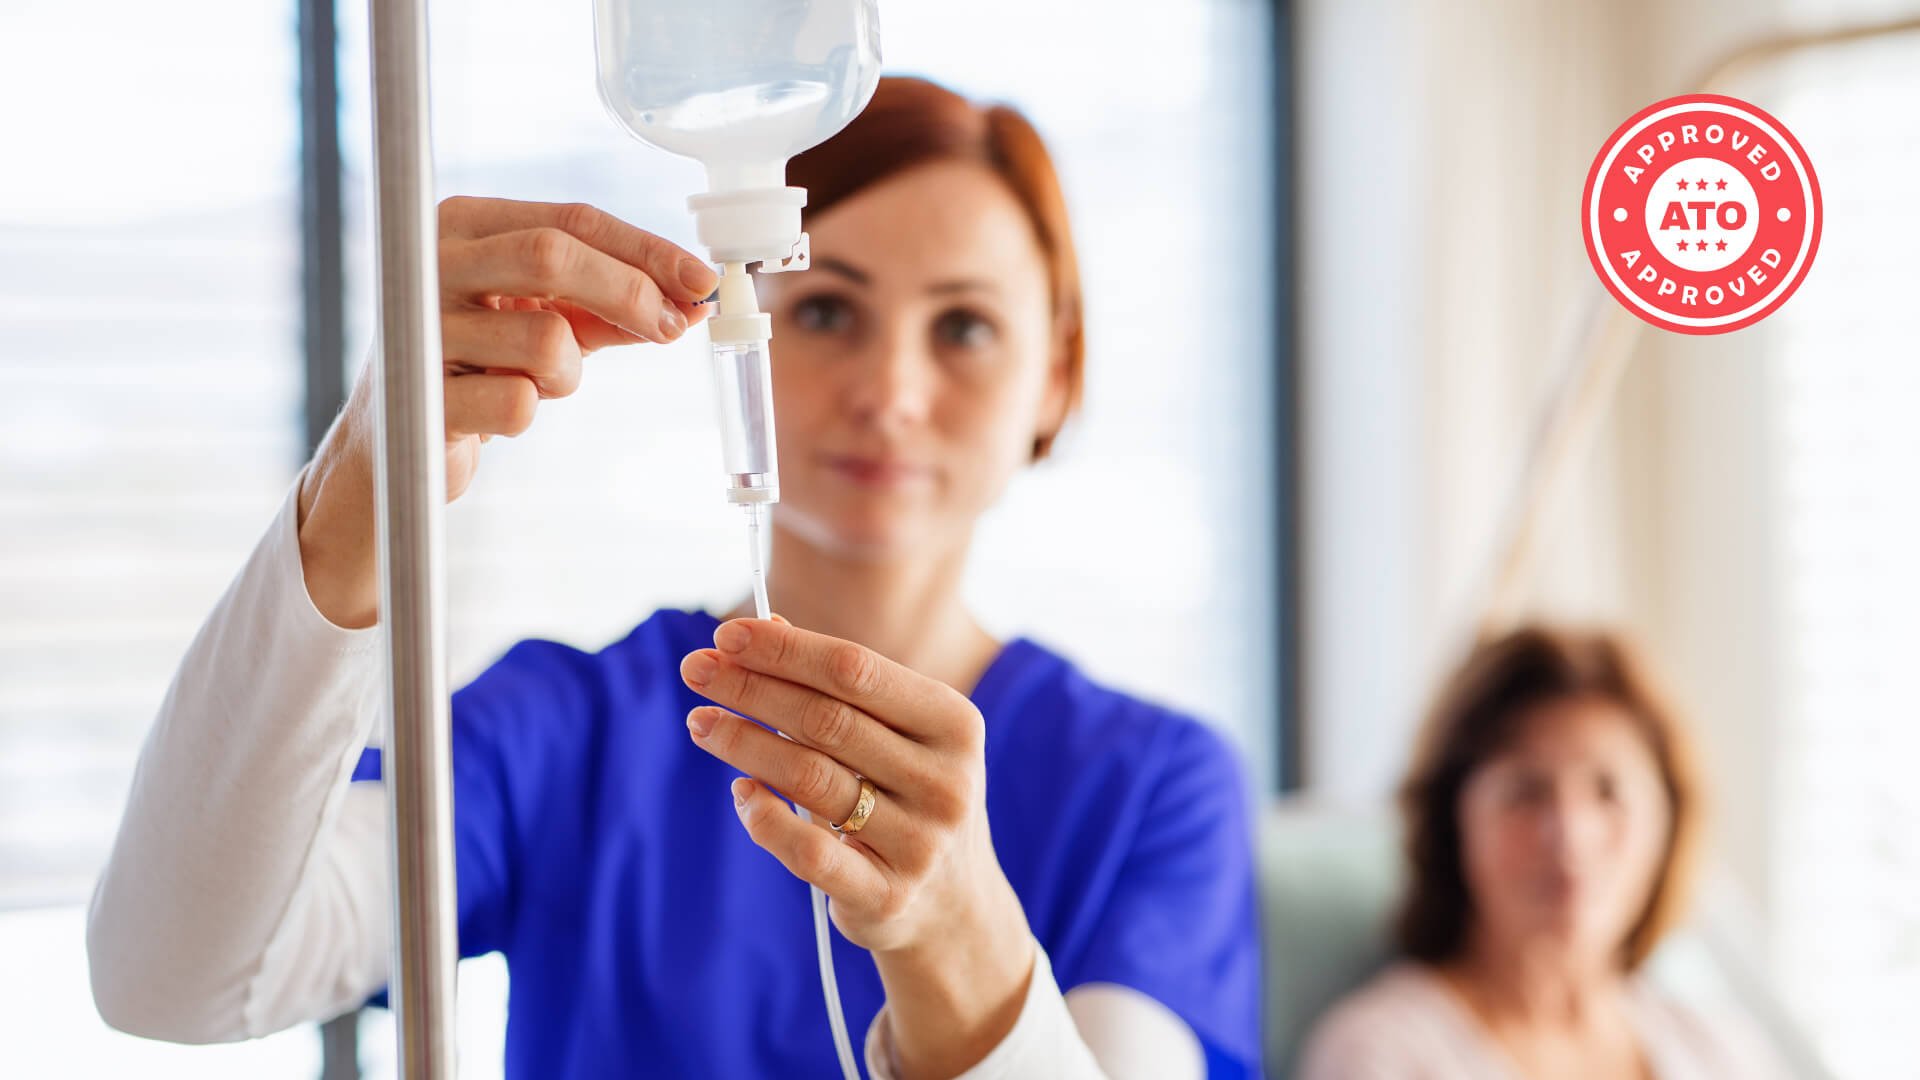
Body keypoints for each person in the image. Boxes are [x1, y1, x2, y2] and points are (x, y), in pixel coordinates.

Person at [85, 77, 1262, 1079]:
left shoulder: (1152, 788)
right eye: (829, 309)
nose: (890, 393)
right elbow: (174, 976)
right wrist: (355, 494)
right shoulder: (573, 730)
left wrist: (957, 936)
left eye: (962, 330)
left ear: (1056, 378)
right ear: (742, 319)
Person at [1297, 627, 1786, 1080]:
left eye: (1608, 791)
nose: (1570, 836)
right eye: (1526, 792)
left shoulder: (1722, 1050)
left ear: (1668, 822)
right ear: (1452, 821)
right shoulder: (1381, 1054)